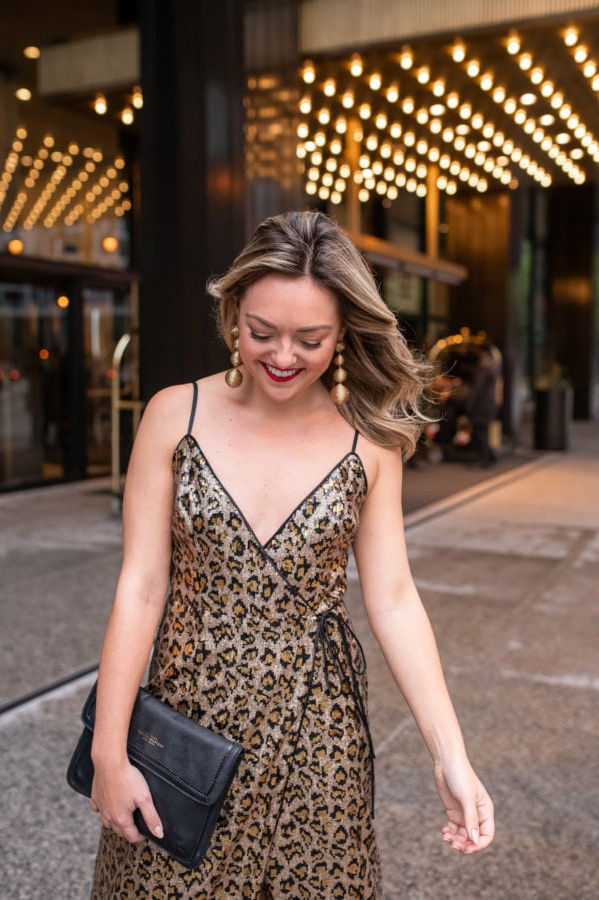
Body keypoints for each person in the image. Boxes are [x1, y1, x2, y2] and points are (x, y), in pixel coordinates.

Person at [89, 210, 494, 898]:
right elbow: (142, 586)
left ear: (342, 334)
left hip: (319, 736)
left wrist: (450, 756)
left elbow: (392, 598)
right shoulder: (172, 414)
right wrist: (108, 749)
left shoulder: (368, 441)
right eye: (261, 332)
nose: (282, 357)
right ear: (231, 318)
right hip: (183, 727)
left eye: (310, 339)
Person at [468, 345, 501, 468]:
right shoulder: (494, 365)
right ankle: (490, 456)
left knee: (479, 432)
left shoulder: (483, 367)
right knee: (484, 432)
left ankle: (484, 459)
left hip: (481, 404)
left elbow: (478, 388)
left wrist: (471, 405)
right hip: (490, 403)